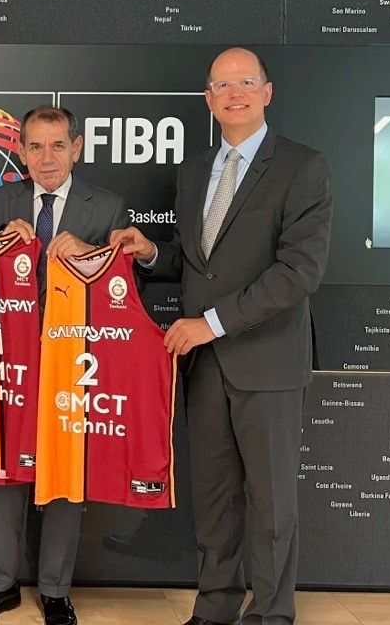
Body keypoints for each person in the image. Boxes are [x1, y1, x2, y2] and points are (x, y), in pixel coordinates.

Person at [111, 47, 333, 625]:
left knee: (272, 503)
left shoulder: (303, 167)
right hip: (206, 369)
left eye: (246, 83)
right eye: (222, 85)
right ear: (208, 99)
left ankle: (272, 613)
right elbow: (199, 264)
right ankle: (214, 609)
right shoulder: (194, 170)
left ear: (267, 93)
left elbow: (298, 273)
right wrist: (152, 252)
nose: (235, 94)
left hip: (267, 363)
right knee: (213, 500)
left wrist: (208, 325)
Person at [0, 106, 130, 625]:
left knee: (64, 471)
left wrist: (90, 254)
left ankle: (56, 589)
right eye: (35, 146)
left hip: (72, 360)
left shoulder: (108, 205)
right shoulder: (3, 200)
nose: (46, 158)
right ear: (22, 151)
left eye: (57, 145)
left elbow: (122, 287)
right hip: (11, 356)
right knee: (4, 469)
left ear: (77, 148)